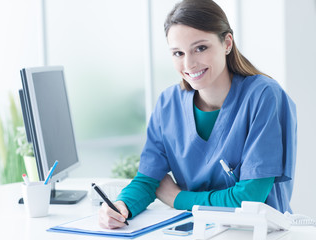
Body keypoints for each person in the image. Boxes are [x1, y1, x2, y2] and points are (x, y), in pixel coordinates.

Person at [98, 0, 297, 229]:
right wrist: (120, 206)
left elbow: (249, 199)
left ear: (227, 43)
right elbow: (148, 180)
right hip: (195, 230)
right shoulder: (168, 103)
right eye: (178, 53)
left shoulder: (264, 96)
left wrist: (177, 198)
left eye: (200, 48)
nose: (189, 63)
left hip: (255, 232)